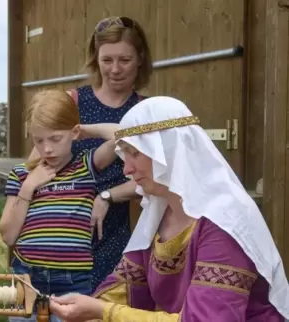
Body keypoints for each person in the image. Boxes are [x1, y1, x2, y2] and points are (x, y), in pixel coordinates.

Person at [48, 96, 289, 321]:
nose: (126, 170)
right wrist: (87, 309)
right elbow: (125, 290)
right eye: (125, 155)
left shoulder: (225, 221)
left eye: (135, 154)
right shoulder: (158, 212)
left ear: (169, 151)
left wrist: (104, 311)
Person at [28, 16, 153, 292]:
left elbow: (157, 176)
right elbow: (34, 162)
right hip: (59, 230)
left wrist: (108, 196)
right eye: (107, 60)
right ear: (95, 59)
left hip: (115, 232)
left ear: (141, 59)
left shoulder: (146, 111)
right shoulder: (72, 101)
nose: (115, 69)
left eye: (125, 60)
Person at [0, 89, 120, 322]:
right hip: (27, 278)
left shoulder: (86, 166)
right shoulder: (22, 174)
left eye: (56, 138)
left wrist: (85, 130)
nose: (47, 149)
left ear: (73, 132)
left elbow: (125, 135)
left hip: (73, 283)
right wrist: (28, 187)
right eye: (39, 140)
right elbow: (8, 236)